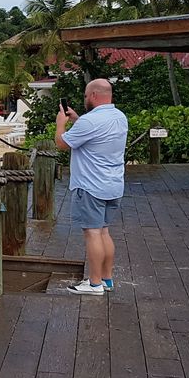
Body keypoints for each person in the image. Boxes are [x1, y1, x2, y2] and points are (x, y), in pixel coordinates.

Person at [55, 78, 128, 296]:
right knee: (104, 231)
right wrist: (78, 119)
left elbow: (62, 143)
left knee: (93, 233)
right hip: (113, 184)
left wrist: (61, 123)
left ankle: (94, 284)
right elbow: (94, 134)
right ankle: (106, 279)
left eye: (86, 96)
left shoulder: (90, 122)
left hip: (90, 186)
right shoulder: (119, 117)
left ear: (94, 95)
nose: (85, 99)